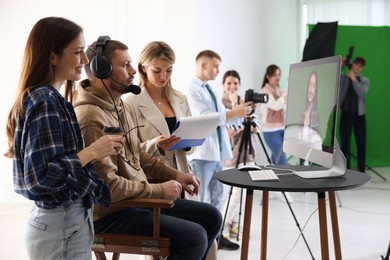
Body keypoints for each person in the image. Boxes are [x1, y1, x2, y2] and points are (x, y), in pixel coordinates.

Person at [73, 37, 222, 260]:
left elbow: (140, 156)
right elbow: (108, 189)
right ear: (101, 70)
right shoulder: (91, 117)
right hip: (110, 214)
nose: (133, 70)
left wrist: (176, 175)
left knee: (212, 216)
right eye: (125, 65)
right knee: (195, 236)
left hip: (134, 203)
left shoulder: (120, 106)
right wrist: (158, 191)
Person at [4, 17, 124, 260]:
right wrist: (92, 151)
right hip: (62, 224)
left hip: (66, 222)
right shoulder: (46, 101)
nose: (86, 60)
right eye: (78, 51)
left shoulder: (49, 99)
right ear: (52, 56)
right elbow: (38, 178)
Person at [123, 41, 218, 259]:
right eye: (157, 70)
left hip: (183, 173)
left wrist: (190, 141)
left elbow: (188, 142)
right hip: (153, 180)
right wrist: (154, 144)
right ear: (143, 68)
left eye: (169, 70)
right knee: (166, 243)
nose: (163, 76)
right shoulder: (130, 103)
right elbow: (130, 149)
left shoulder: (179, 98)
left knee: (202, 232)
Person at [185, 50, 251, 250]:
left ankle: (215, 238)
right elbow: (205, 117)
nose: (218, 70)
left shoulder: (211, 89)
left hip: (217, 153)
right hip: (203, 154)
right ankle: (201, 241)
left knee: (217, 197)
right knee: (202, 199)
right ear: (203, 65)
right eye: (215, 66)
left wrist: (239, 114)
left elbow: (222, 117)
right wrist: (234, 112)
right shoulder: (192, 89)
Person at [220, 70, 257, 247]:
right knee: (233, 192)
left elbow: (256, 127)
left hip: (248, 153)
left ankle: (234, 225)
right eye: (229, 83)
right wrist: (235, 109)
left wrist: (243, 122)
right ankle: (223, 227)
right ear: (223, 86)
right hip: (230, 155)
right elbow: (224, 128)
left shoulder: (247, 104)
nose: (232, 87)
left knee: (243, 192)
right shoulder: (220, 105)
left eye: (235, 83)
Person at [257, 64, 294, 203]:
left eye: (279, 74)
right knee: (281, 158)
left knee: (275, 158)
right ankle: (283, 190)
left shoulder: (279, 90)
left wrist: (283, 98)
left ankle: (271, 188)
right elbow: (276, 105)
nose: (277, 77)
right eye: (275, 75)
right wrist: (284, 97)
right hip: (269, 129)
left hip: (281, 128)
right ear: (268, 76)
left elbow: (284, 106)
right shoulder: (264, 92)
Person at [339, 57, 369, 172]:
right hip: (346, 115)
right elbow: (335, 78)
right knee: (345, 144)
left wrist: (354, 80)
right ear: (352, 65)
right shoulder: (344, 78)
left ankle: (362, 170)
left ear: (362, 68)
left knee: (361, 143)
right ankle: (345, 170)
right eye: (356, 64)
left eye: (360, 65)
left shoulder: (365, 80)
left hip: (359, 117)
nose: (357, 67)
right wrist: (341, 65)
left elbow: (362, 93)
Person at [299, 70, 322, 149]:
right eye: (310, 85)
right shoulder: (303, 113)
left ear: (316, 91)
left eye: (314, 86)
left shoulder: (315, 113)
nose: (310, 90)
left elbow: (314, 141)